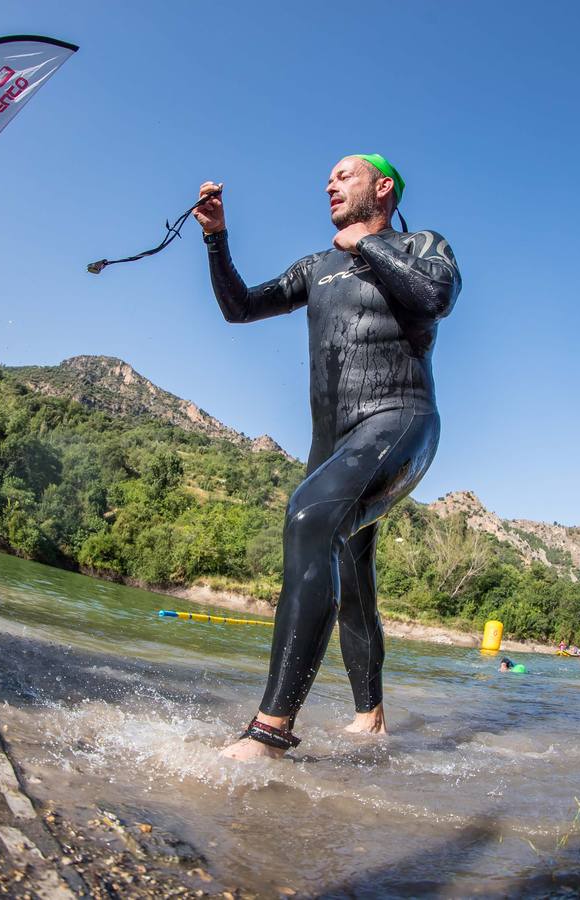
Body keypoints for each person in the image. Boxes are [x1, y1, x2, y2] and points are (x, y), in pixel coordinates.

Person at [194, 154, 461, 760]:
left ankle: (270, 730)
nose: (329, 184)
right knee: (353, 570)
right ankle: (370, 717)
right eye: (329, 178)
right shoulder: (317, 266)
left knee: (312, 517)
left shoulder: (422, 244)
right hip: (332, 443)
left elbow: (434, 296)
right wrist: (216, 239)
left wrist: (368, 245)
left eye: (345, 176)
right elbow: (240, 308)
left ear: (382, 187)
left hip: (399, 421)